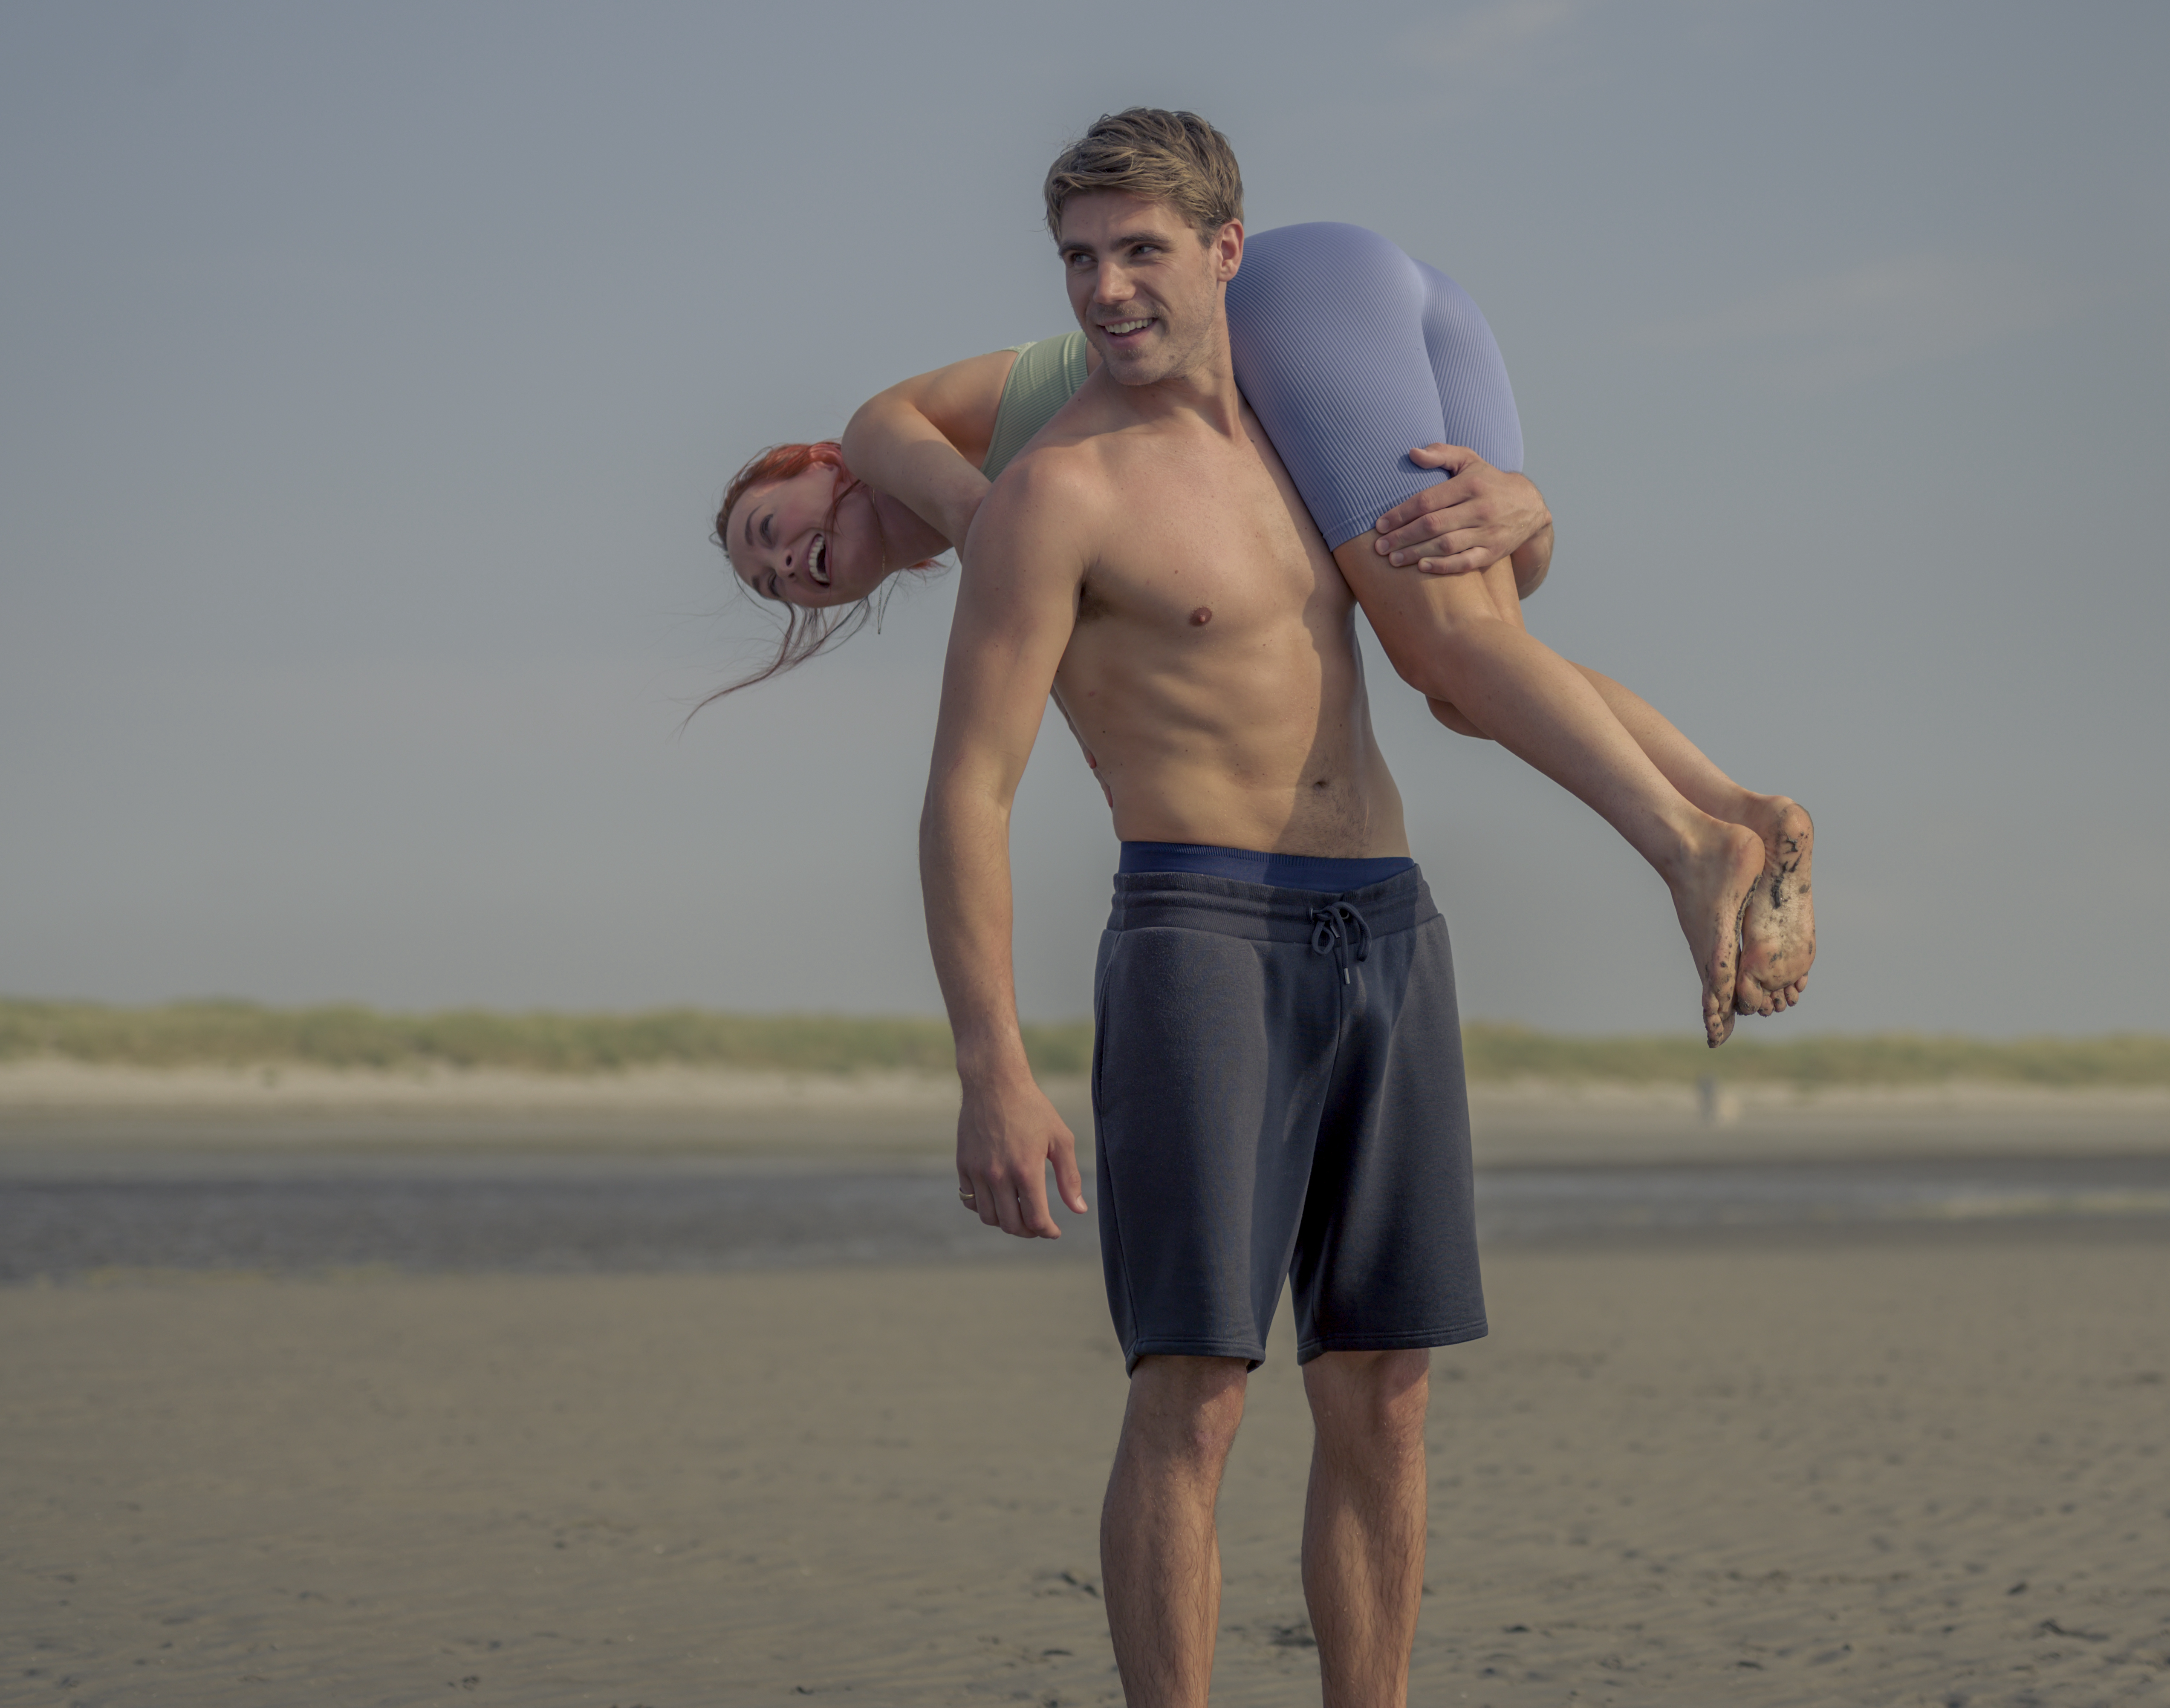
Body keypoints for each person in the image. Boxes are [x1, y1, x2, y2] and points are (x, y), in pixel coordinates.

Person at [716, 225, 1812, 1045]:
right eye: (770, 584)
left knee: (1444, 647)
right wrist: (1529, 506)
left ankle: (1686, 848)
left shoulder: (885, 432)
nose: (783, 565)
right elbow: (1521, 572)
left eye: (771, 527)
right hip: (1379, 305)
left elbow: (992, 530)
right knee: (1464, 676)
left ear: (814, 462)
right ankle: (1738, 809)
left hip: (1293, 301)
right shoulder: (1020, 497)